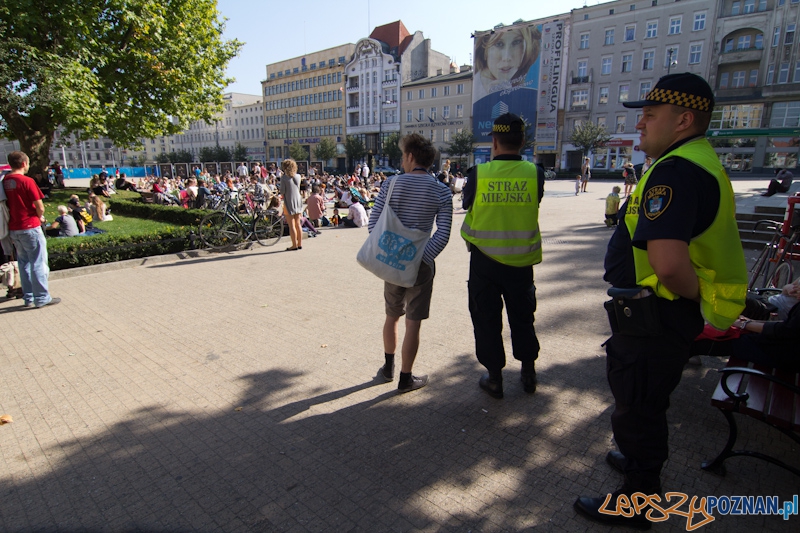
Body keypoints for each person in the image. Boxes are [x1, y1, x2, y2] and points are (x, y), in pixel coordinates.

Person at [574, 73, 748, 529]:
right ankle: (637, 460)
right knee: (646, 398)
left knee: (638, 404)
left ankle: (638, 499)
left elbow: (668, 263)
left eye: (651, 115)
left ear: (684, 119)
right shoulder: (693, 161)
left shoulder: (674, 171)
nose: (641, 125)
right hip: (664, 314)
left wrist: (685, 296)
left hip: (657, 315)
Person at [461, 113, 544, 399]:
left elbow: (467, 203)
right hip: (521, 263)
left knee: (486, 320)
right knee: (523, 316)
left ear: (494, 142)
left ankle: (495, 378)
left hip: (484, 262)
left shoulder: (478, 174)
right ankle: (529, 373)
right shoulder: (536, 174)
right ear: (522, 141)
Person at [371, 133, 452, 393]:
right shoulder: (441, 190)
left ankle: (387, 369)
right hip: (421, 267)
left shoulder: (390, 185)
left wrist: (394, 253)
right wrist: (423, 257)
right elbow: (444, 231)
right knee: (413, 322)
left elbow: (373, 225)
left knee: (391, 315)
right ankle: (406, 378)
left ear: (410, 156)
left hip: (392, 263)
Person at [3, 151, 60, 308]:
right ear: (23, 164)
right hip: (30, 226)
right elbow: (39, 206)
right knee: (38, 262)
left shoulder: (5, 181)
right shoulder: (27, 181)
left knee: (23, 263)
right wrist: (40, 216)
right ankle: (41, 297)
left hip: (14, 228)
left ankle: (28, 297)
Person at [473, 25, 540, 101]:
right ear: (485, 51)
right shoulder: (478, 95)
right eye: (499, 44)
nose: (506, 57)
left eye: (516, 42)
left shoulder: (522, 85)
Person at [280, 159, 304, 251]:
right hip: (298, 200)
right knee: (298, 224)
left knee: (291, 225)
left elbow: (282, 191)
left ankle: (294, 245)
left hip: (289, 201)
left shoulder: (284, 178)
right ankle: (299, 243)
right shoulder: (298, 176)